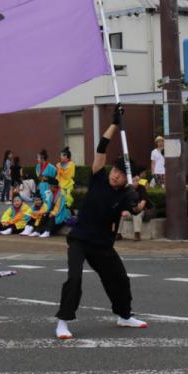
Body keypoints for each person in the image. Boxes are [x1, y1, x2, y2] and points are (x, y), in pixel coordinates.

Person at [55, 105, 147, 340]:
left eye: (120, 173)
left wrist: (137, 203)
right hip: (80, 239)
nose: (115, 174)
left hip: (103, 245)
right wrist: (115, 123)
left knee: (119, 279)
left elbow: (133, 210)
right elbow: (101, 148)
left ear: (127, 178)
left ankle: (124, 315)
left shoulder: (125, 194)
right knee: (74, 278)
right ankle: (63, 322)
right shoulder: (98, 177)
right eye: (115, 170)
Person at [121, 171, 154, 241]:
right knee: (120, 213)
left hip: (144, 211)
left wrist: (137, 208)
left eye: (137, 181)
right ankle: (118, 234)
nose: (136, 182)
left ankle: (137, 234)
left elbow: (142, 203)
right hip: (130, 212)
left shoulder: (141, 188)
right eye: (134, 181)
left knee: (136, 213)